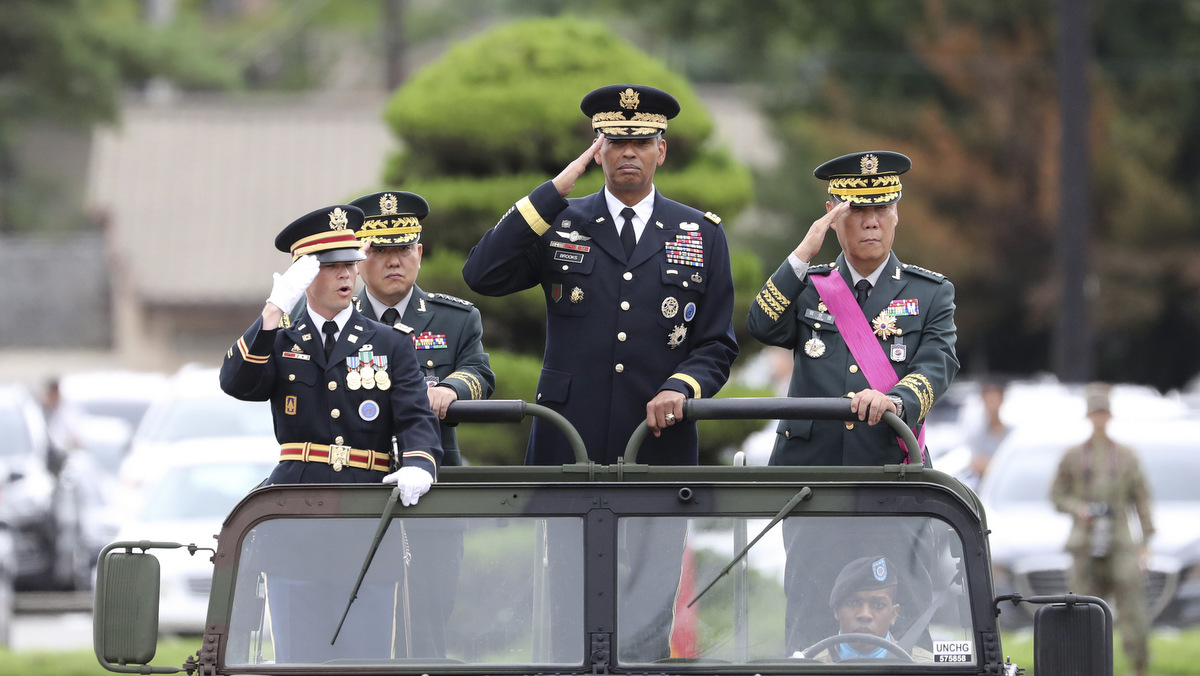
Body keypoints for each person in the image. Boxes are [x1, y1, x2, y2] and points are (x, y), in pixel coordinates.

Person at [462, 83, 739, 662]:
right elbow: (483, 274)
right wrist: (555, 189)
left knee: (648, 611)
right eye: (616, 142)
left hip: (656, 449)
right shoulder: (561, 221)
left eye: (641, 140)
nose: (628, 152)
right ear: (598, 148)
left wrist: (680, 386)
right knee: (567, 611)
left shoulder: (700, 234)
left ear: (662, 149)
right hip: (571, 442)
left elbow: (715, 344)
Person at [746, 151, 957, 653]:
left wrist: (895, 398)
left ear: (896, 213)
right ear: (834, 214)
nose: (870, 222)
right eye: (857, 211)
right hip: (812, 484)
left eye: (881, 209)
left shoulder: (929, 293)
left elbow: (938, 365)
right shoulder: (810, 285)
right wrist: (803, 251)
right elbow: (760, 324)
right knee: (810, 616)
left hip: (888, 477)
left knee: (899, 620)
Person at [219, 203, 443, 661]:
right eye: (331, 266)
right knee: (298, 658)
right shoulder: (282, 340)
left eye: (349, 265)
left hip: (365, 512)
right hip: (297, 516)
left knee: (367, 657)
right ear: (306, 276)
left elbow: (415, 417)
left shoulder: (389, 342)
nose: (346, 275)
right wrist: (272, 312)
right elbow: (236, 383)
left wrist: (420, 463)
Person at [291, 190, 496, 467]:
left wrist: (451, 388)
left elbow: (478, 370)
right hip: (353, 473)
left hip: (436, 472)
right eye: (379, 251)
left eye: (404, 248)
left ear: (419, 253)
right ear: (358, 260)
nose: (394, 261)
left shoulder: (457, 318)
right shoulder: (335, 315)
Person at [1051, 383, 1154, 676]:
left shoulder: (1126, 456)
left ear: (1109, 416)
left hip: (1120, 537)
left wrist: (1146, 541)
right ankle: (1082, 666)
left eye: (1103, 413)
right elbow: (1057, 496)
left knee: (1132, 606)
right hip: (1085, 539)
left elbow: (1142, 498)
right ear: (1089, 416)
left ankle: (1139, 666)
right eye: (1095, 413)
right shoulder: (1073, 456)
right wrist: (1078, 509)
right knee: (1082, 608)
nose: (1099, 419)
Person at [797, 555, 933, 662]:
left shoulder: (928, 669)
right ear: (836, 610)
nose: (865, 614)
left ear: (893, 614)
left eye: (878, 605)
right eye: (852, 603)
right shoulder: (803, 667)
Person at [965, 379, 1009, 485]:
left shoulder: (1011, 434)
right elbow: (976, 464)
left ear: (1002, 399)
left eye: (994, 399)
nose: (991, 403)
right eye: (988, 399)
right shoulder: (976, 434)